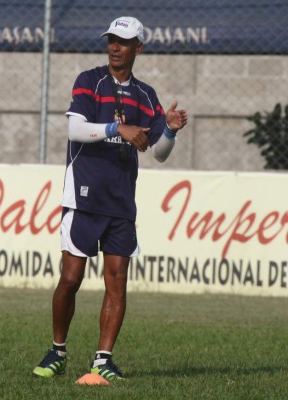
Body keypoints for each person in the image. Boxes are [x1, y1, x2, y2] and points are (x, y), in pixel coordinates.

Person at [32, 16, 188, 382]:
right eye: (111, 40)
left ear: (138, 48)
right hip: (84, 196)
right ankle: (57, 350)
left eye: (123, 41)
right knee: (70, 278)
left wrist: (169, 130)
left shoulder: (146, 95)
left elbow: (158, 152)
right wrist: (115, 127)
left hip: (120, 204)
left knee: (117, 280)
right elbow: (74, 128)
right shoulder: (90, 81)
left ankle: (103, 359)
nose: (115, 47)